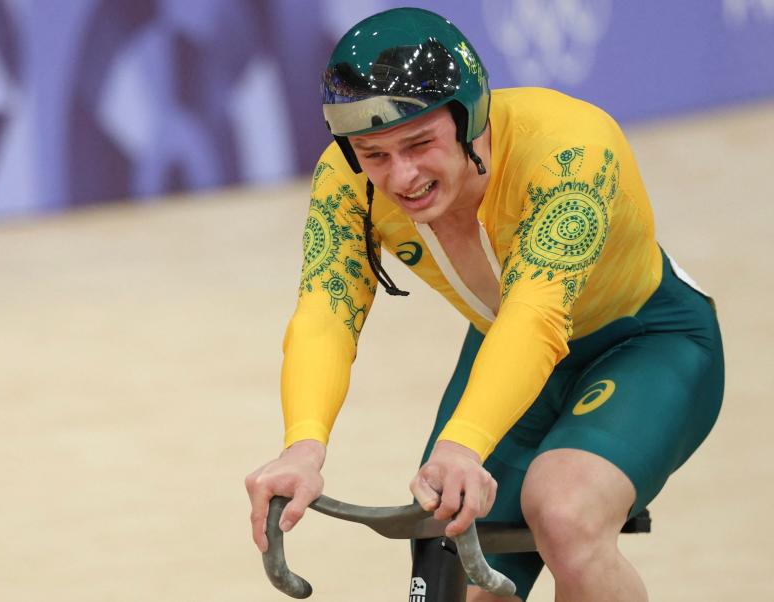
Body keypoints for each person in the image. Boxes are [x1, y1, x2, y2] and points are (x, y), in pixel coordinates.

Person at [244, 7, 723, 601]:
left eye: (420, 142)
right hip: (509, 347)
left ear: (471, 118)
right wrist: (304, 444)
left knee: (564, 512)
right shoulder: (347, 182)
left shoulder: (569, 150)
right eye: (375, 154)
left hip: (644, 342)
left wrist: (463, 444)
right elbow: (325, 311)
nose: (403, 176)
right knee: (448, 558)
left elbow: (537, 315)